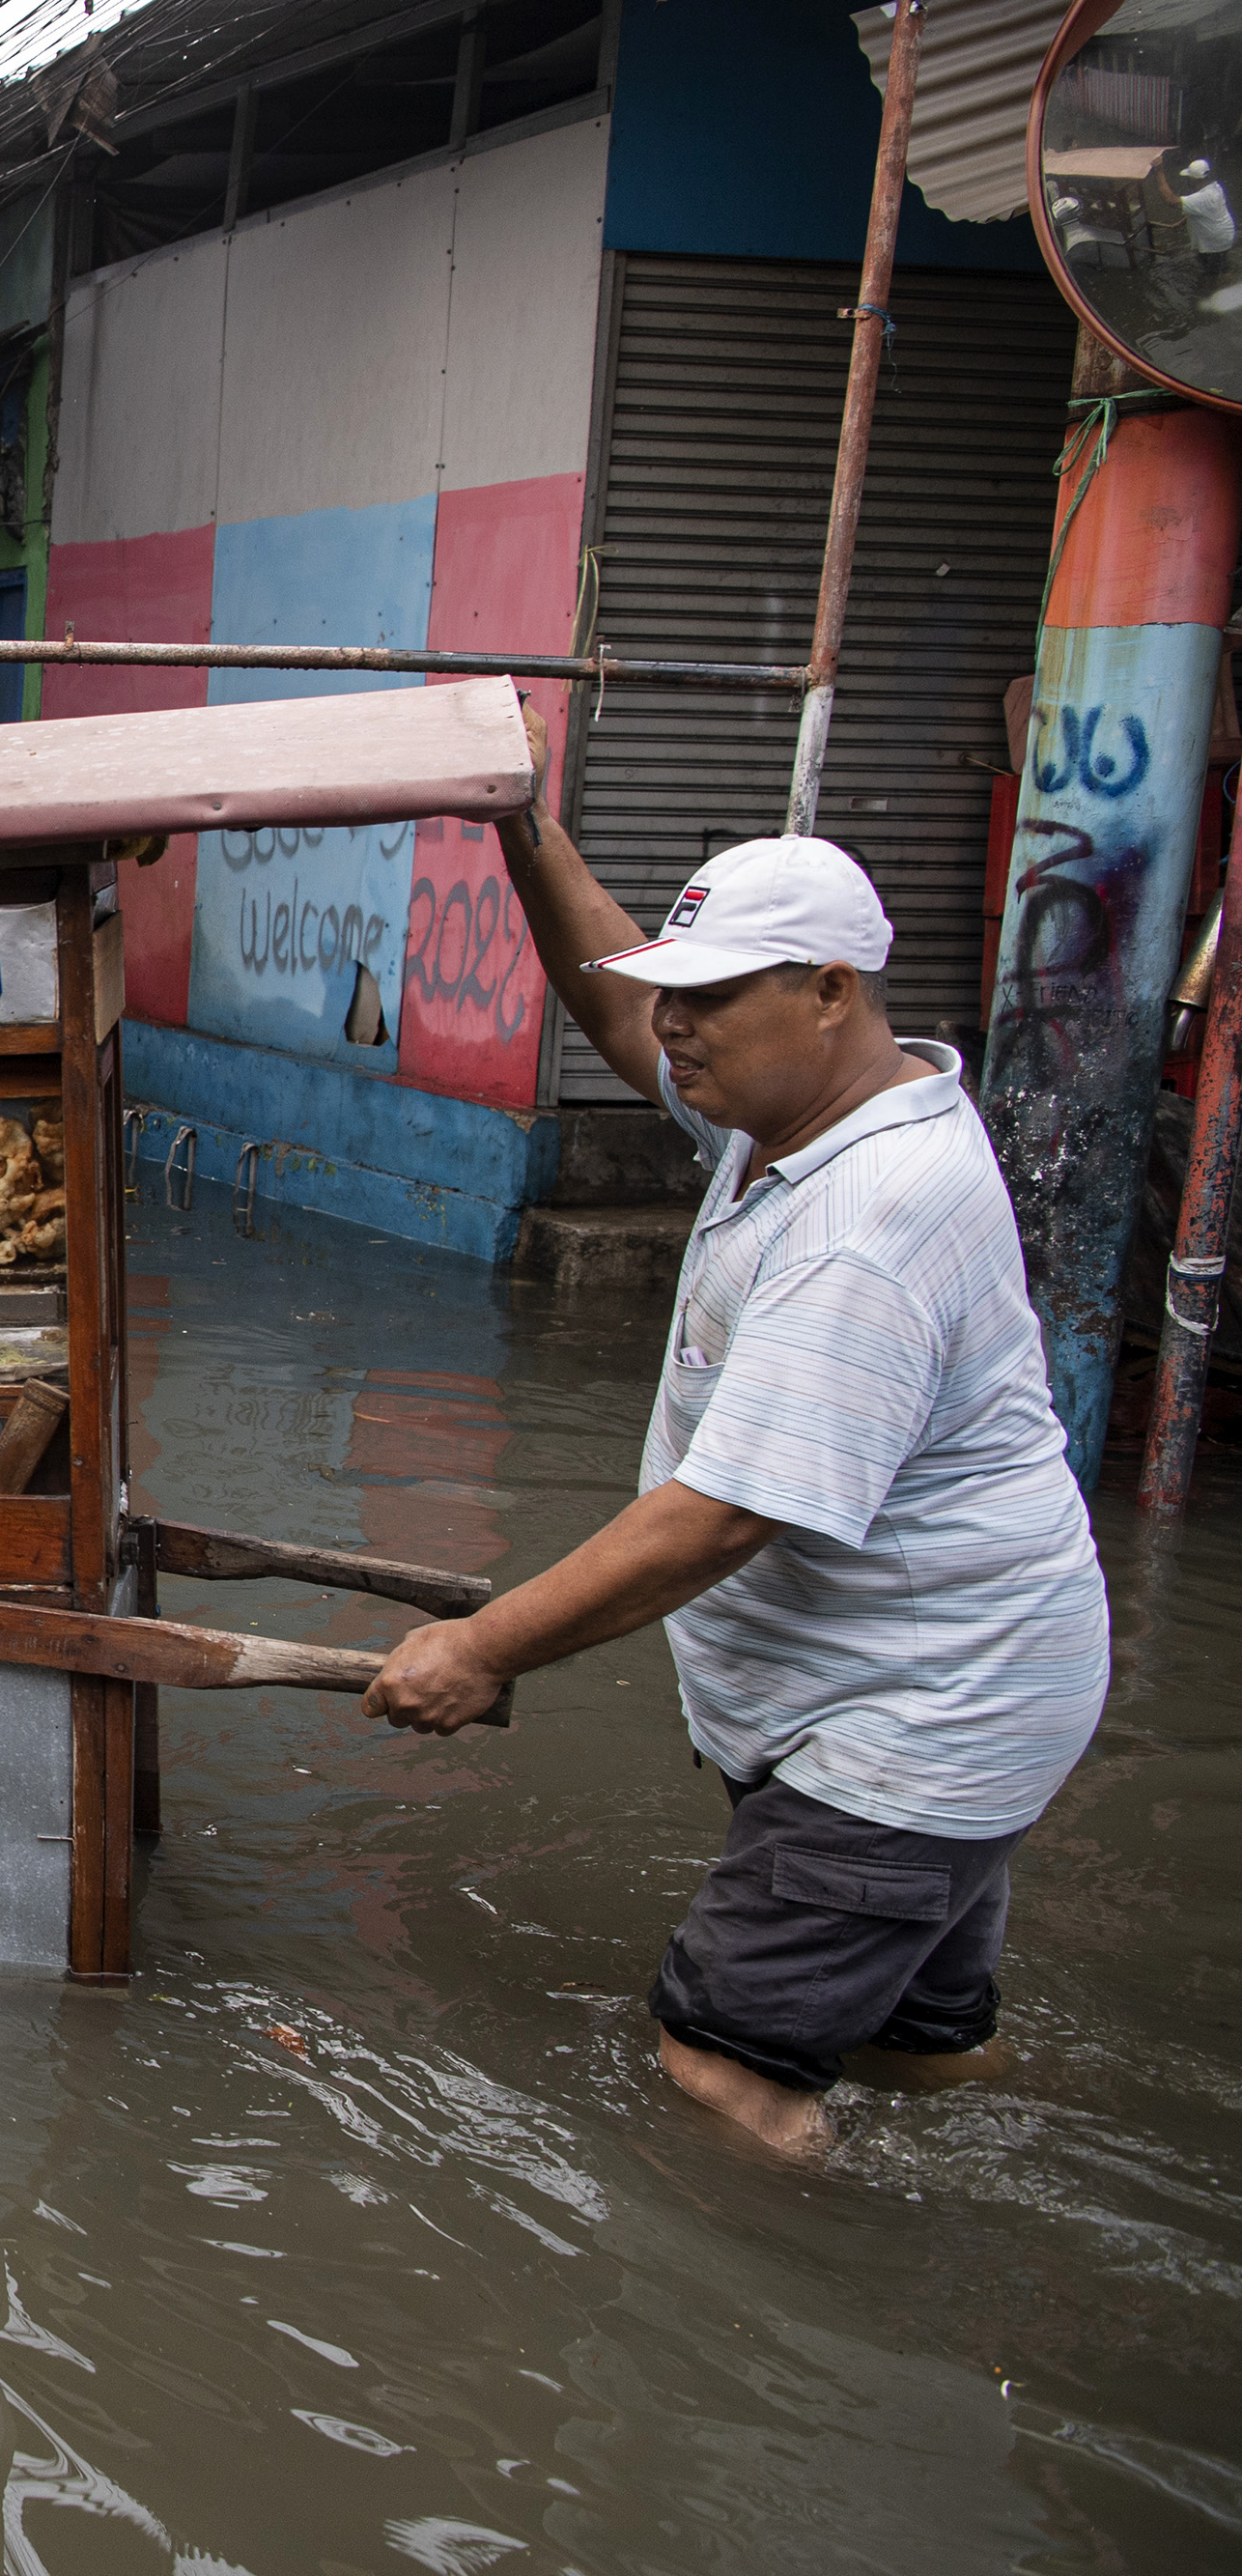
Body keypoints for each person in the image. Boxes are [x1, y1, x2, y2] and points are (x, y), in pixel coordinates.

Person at [366, 713, 1110, 2156]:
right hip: (980, 1686)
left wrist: (484, 1640)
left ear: (830, 989)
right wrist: (525, 821)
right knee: (911, 2047)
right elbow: (612, 1010)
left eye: (710, 996)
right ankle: (990, 2218)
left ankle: (816, 2342)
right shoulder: (793, 1115)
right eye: (677, 991)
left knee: (721, 2067)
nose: (675, 1024)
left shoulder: (865, 1225)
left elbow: (725, 1514)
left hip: (908, 1721)